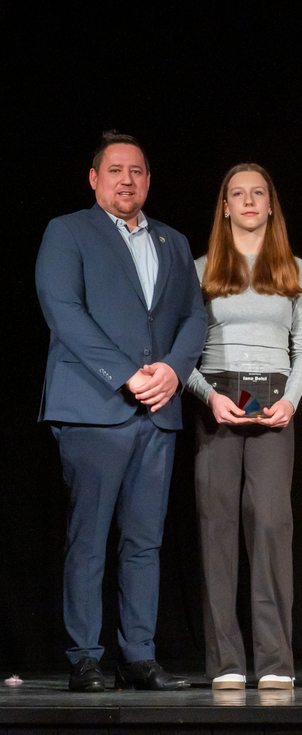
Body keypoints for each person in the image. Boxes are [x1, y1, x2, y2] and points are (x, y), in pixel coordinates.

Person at [35, 131, 206, 691]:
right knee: (89, 540)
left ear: (148, 180)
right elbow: (64, 310)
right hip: (95, 406)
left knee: (144, 542)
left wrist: (173, 370)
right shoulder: (67, 231)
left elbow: (193, 317)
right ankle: (85, 657)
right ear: (94, 179)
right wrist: (127, 374)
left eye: (136, 171)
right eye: (115, 170)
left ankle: (139, 656)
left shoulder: (173, 241)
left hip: (157, 412)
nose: (126, 180)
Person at [185, 164, 302, 691]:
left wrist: (291, 402)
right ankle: (226, 662)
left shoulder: (296, 270)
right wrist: (208, 395)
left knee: (270, 524)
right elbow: (182, 352)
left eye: (257, 193)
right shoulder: (200, 269)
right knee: (217, 527)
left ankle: (276, 660)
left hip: (274, 404)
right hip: (217, 399)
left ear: (270, 203)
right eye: (237, 194)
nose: (248, 201)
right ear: (225, 206)